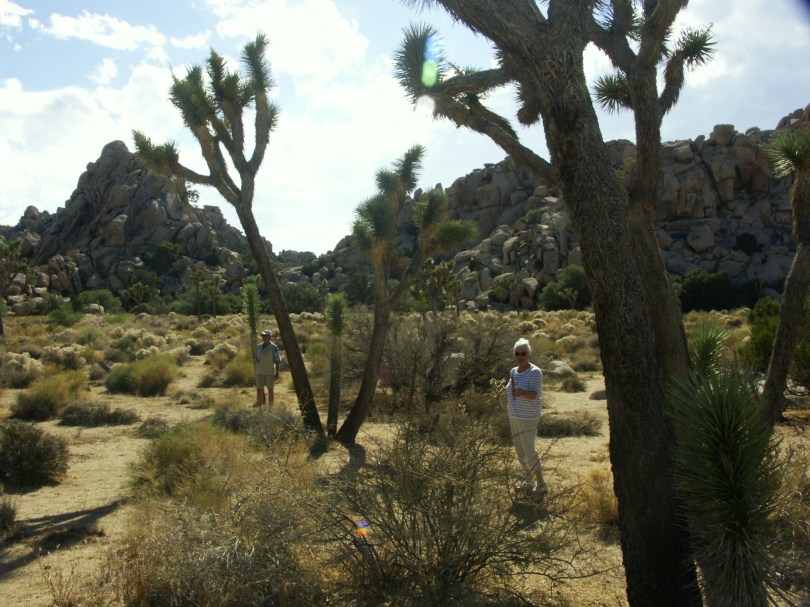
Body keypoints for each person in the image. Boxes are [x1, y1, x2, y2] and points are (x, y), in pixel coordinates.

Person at [506, 337, 547, 497]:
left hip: (528, 416)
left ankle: (541, 483)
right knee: (520, 450)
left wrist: (522, 392)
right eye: (517, 353)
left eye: (523, 353)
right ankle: (528, 481)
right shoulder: (513, 372)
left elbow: (535, 394)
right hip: (514, 415)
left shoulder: (535, 372)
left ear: (528, 354)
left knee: (529, 449)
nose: (520, 356)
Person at [254, 329, 281, 408]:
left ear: (269, 337)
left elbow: (277, 360)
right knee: (259, 390)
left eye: (265, 336)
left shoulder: (274, 347)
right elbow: (255, 357)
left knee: (270, 390)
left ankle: (270, 409)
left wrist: (277, 372)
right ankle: (260, 409)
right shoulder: (258, 347)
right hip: (259, 372)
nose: (263, 337)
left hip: (270, 372)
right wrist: (256, 362)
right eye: (262, 336)